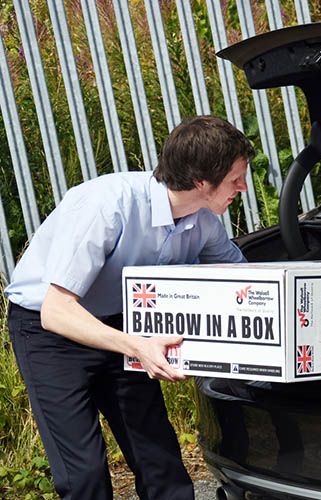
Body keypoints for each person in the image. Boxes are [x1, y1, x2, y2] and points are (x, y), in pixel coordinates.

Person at [5, 115, 255, 500]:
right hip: (51, 331)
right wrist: (136, 346)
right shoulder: (107, 206)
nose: (243, 187)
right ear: (201, 181)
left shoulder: (205, 220)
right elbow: (55, 310)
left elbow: (243, 281)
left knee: (161, 466)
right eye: (236, 178)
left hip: (124, 326)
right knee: (84, 474)